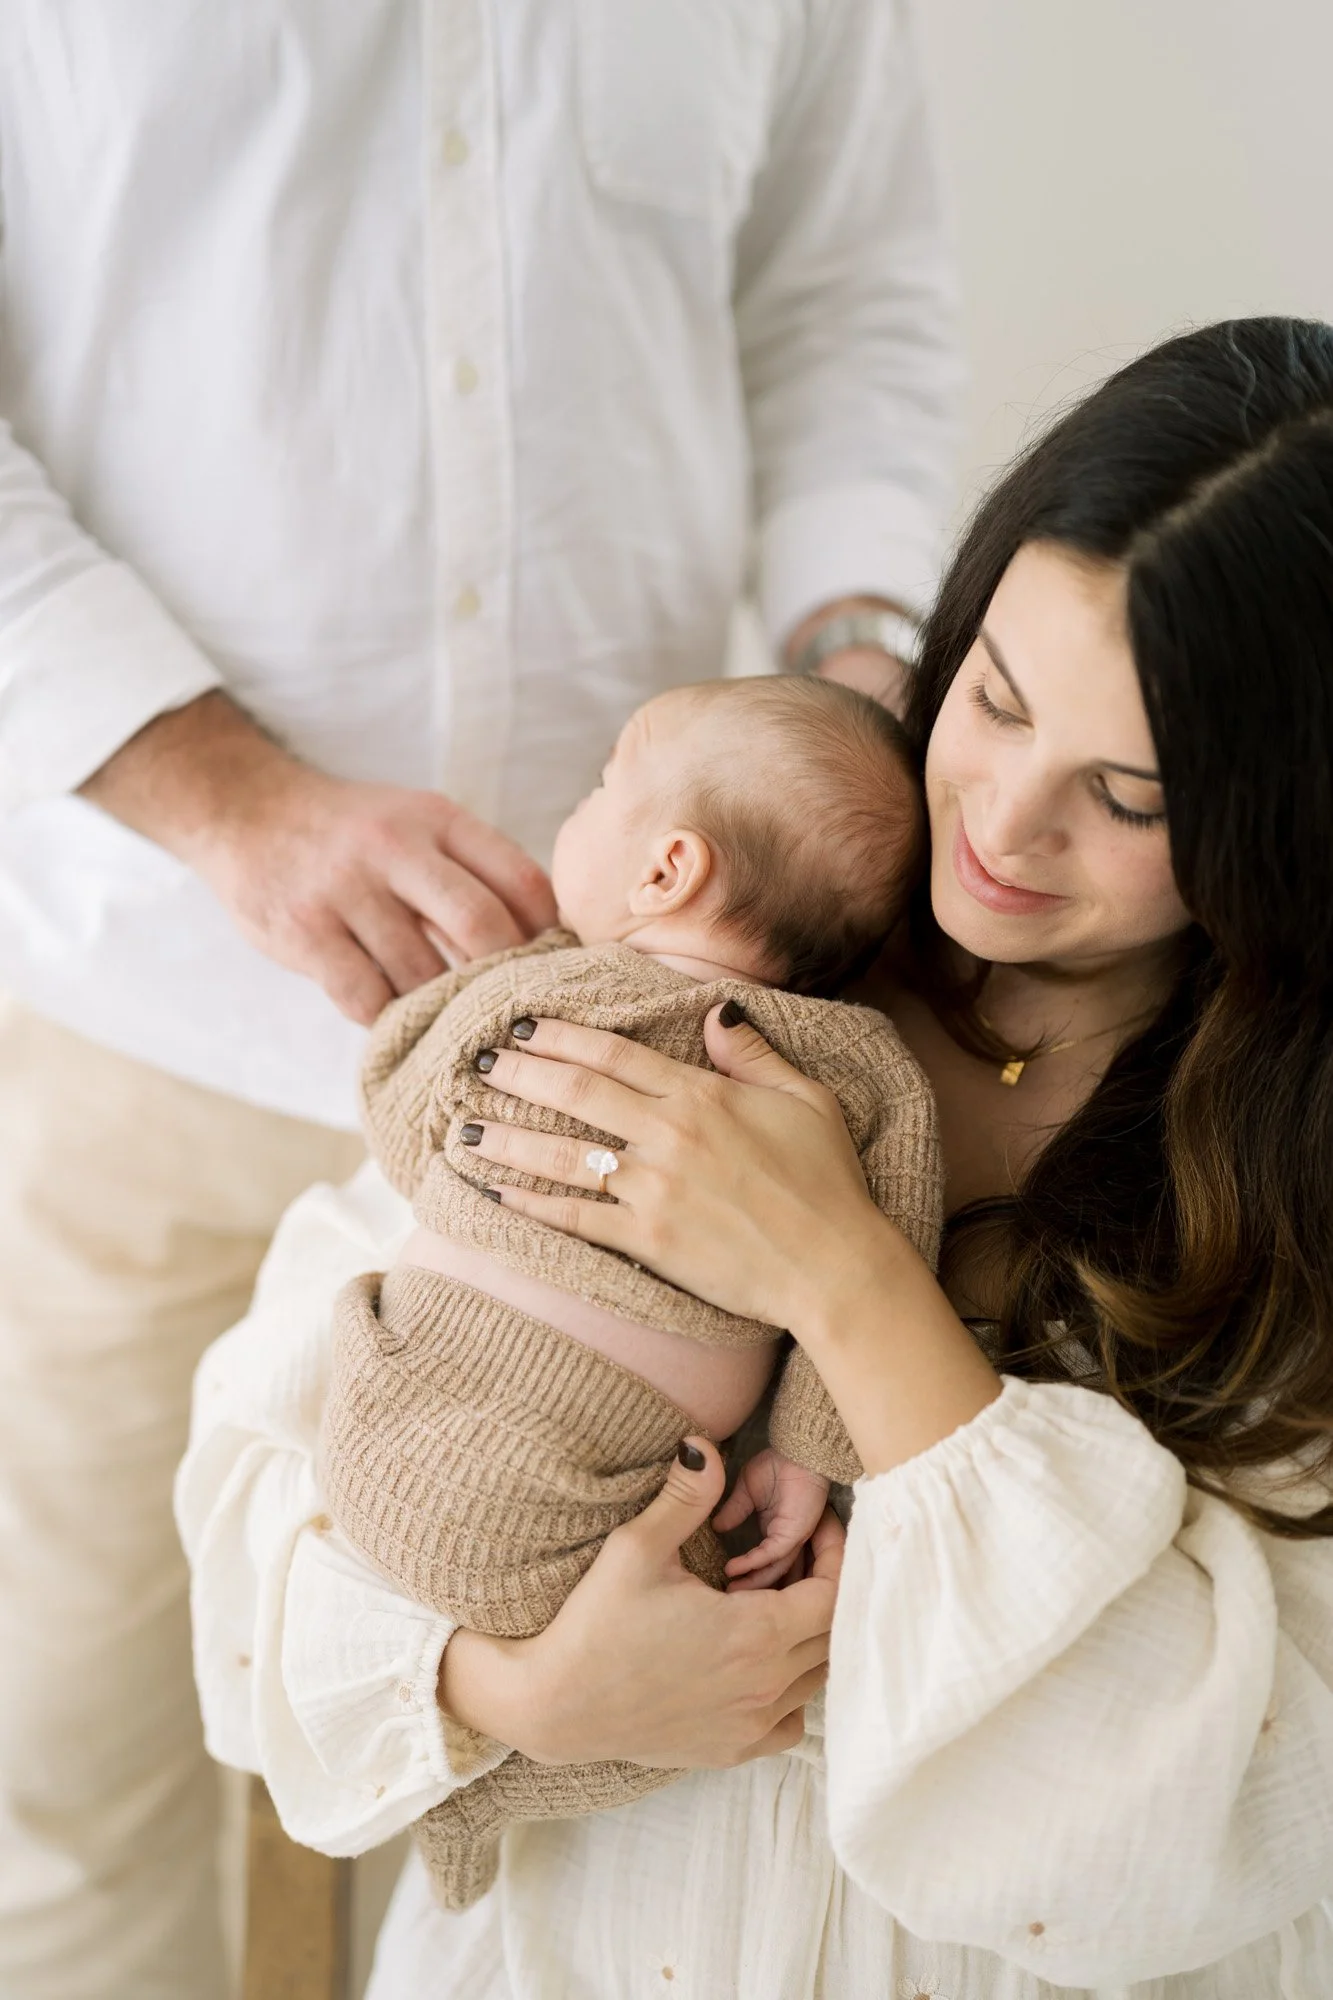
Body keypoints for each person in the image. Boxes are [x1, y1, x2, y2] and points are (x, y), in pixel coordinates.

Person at [180, 316, 1333, 1996]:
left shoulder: (1280, 1188)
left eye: (1126, 795)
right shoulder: (736, 944)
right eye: (991, 704)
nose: (1001, 828)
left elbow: (1213, 1813)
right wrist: (518, 1694)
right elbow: (268, 1471)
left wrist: (842, 1275)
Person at [0, 5, 958, 1989]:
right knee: (62, 1791)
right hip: (140, 1011)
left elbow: (844, 305)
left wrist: (852, 713)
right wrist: (231, 798)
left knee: (602, 1753)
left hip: (672, 1118)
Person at [316, 677, 942, 1909]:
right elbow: (880, 1256)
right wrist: (808, 1453)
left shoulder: (545, 993)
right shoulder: (866, 1070)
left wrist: (486, 1013)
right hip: (609, 1513)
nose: (581, 798)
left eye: (605, 780)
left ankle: (472, 1777)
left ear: (664, 869)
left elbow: (396, 1104)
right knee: (708, 1670)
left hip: (385, 1446)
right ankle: (500, 1784)